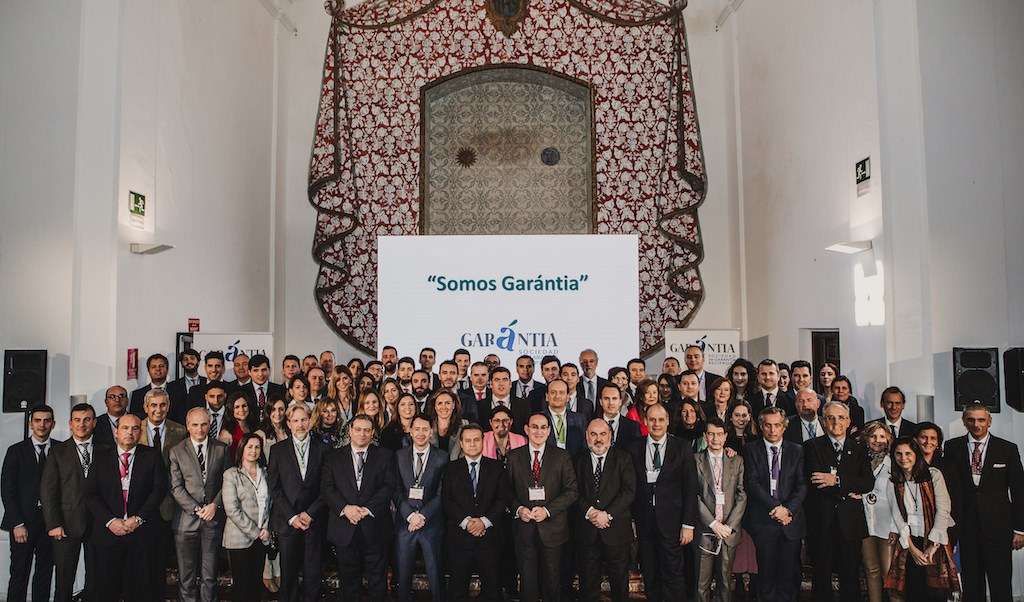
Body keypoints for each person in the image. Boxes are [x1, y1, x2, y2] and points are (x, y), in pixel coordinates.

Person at [943, 403, 1024, 602]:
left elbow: (1019, 491)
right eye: (971, 420)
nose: (976, 424)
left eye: (981, 420)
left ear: (989, 421)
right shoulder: (952, 447)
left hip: (999, 530)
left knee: (1001, 584)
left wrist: (1020, 529)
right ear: (964, 421)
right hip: (967, 529)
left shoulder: (1007, 449)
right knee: (971, 585)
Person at [84, 413, 169, 602]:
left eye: (135, 428)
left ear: (140, 433)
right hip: (108, 535)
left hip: (141, 535)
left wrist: (138, 519)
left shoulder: (152, 456)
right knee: (105, 591)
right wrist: (110, 521)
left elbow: (159, 490)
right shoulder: (100, 457)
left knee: (142, 591)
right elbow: (91, 494)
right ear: (116, 432)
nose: (129, 432)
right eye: (125, 428)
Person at [322, 413, 397, 602]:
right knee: (348, 582)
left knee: (378, 582)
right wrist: (345, 508)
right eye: (358, 429)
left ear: (372, 433)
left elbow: (389, 486)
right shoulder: (333, 456)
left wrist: (367, 509)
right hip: (345, 527)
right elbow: (327, 488)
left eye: (366, 430)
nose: (362, 434)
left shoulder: (385, 455)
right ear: (350, 430)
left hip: (375, 526)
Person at [803, 401, 874, 602]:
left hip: (850, 522)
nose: (836, 422)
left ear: (849, 421)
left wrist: (836, 480)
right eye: (831, 418)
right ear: (824, 421)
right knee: (821, 574)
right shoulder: (811, 446)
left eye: (841, 417)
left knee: (850, 575)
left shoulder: (859, 449)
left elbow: (867, 482)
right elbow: (816, 480)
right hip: (821, 521)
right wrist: (848, 489)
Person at [629, 403, 699, 602]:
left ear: (668, 421)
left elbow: (690, 487)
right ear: (645, 421)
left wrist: (688, 524)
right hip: (644, 521)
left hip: (673, 522)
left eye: (661, 419)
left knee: (673, 573)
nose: (656, 424)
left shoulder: (682, 446)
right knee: (650, 572)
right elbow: (631, 486)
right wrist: (632, 520)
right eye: (652, 419)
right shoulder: (634, 447)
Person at [507, 412, 579, 602]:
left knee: (552, 582)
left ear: (549, 431)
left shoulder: (562, 456)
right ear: (526, 429)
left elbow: (572, 491)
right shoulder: (513, 456)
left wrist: (547, 511)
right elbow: (507, 491)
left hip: (553, 529)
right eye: (534, 427)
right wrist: (519, 509)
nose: (538, 431)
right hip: (524, 530)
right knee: (527, 582)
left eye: (543, 427)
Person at [740, 407, 806, 602]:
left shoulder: (797, 450)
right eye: (768, 425)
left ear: (784, 427)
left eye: (777, 425)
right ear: (761, 427)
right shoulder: (750, 449)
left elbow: (802, 485)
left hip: (790, 521)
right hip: (763, 520)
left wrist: (787, 509)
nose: (772, 430)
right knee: (766, 575)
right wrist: (776, 508)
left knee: (788, 575)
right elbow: (751, 483)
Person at [442, 424, 512, 602]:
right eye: (468, 440)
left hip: (490, 539)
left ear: (483, 442)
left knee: (493, 591)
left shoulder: (497, 467)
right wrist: (467, 523)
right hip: (460, 539)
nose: (472, 444)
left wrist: (484, 522)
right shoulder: (450, 469)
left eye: (476, 440)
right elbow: (447, 500)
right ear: (461, 444)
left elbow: (503, 498)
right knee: (457, 591)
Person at [169, 407, 232, 602]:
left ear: (209, 424)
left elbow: (227, 482)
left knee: (209, 576)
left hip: (213, 520)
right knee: (186, 577)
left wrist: (214, 505)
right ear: (188, 426)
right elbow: (175, 487)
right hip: (185, 522)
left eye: (204, 424)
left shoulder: (221, 449)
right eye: (195, 424)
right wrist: (197, 509)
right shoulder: (177, 451)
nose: (199, 429)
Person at [884, 437, 959, 601]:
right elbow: (898, 517)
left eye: (908, 453)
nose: (903, 458)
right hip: (910, 542)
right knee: (914, 590)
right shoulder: (893, 481)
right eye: (898, 454)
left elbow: (943, 510)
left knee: (936, 593)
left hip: (935, 539)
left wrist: (933, 545)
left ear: (916, 454)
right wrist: (911, 548)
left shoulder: (933, 475)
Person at [267, 402, 327, 602]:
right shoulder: (277, 450)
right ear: (289, 424)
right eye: (295, 421)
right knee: (288, 575)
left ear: (310, 421)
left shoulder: (323, 449)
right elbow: (275, 488)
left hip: (314, 521)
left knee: (313, 574)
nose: (300, 425)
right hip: (288, 522)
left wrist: (310, 513)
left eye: (303, 420)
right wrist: (292, 517)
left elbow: (327, 487)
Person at [40, 402, 99, 602]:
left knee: (96, 579)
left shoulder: (106, 449)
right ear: (70, 423)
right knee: (64, 580)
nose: (82, 424)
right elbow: (48, 491)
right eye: (77, 420)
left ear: (94, 422)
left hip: (98, 524)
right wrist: (53, 524)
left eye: (87, 420)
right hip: (66, 525)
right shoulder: (57, 451)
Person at [574, 419, 635, 602]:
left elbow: (629, 491)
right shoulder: (577, 459)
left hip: (616, 532)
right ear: (587, 436)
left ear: (610, 436)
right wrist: (591, 512)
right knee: (588, 587)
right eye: (593, 434)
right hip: (587, 533)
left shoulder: (623, 458)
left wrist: (606, 515)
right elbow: (573, 491)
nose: (598, 439)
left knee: (620, 587)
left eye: (602, 434)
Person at [2, 405, 56, 602]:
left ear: (53, 424)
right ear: (31, 424)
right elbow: (7, 489)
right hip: (23, 523)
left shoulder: (61, 449)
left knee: (44, 573)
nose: (42, 425)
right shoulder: (16, 451)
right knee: (19, 574)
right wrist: (17, 523)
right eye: (38, 421)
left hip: (50, 523)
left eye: (46, 421)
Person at [139, 388, 187, 598]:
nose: (158, 410)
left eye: (162, 405)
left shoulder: (180, 431)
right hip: (140, 505)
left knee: (161, 561)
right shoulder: (135, 428)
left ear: (168, 407)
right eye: (153, 405)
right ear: (145, 407)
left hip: (168, 505)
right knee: (141, 563)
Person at [392, 417, 446, 602]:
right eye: (417, 429)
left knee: (436, 576)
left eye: (425, 429)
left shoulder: (443, 457)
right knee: (403, 576)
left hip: (431, 524)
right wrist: (410, 515)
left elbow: (442, 492)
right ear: (411, 431)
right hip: (405, 525)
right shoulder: (399, 456)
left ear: (431, 432)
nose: (421, 433)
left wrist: (422, 516)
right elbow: (395, 489)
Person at [694, 418, 746, 602]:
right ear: (705, 436)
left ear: (725, 437)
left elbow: (741, 494)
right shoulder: (695, 460)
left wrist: (728, 526)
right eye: (711, 434)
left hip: (728, 532)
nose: (715, 438)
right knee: (701, 584)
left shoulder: (737, 460)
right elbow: (693, 496)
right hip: (705, 529)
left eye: (719, 434)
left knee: (725, 581)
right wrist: (713, 523)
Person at [222, 433, 273, 602]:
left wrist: (265, 529)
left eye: (257, 447)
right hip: (239, 538)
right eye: (249, 447)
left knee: (255, 585)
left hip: (262, 537)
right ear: (242, 449)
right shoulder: (231, 474)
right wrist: (255, 532)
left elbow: (270, 504)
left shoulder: (266, 473)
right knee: (241, 587)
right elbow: (232, 509)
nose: (253, 451)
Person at [857, 421, 894, 602]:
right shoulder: (860, 461)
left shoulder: (894, 463)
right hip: (866, 521)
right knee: (871, 569)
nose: (877, 440)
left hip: (888, 523)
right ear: (866, 438)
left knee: (888, 572)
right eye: (873, 436)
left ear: (887, 439)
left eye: (881, 436)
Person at [914, 422, 962, 547]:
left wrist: (953, 536)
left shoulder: (948, 467)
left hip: (943, 528)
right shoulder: (909, 464)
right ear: (916, 440)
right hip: (915, 530)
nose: (928, 442)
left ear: (938, 443)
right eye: (924, 437)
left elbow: (956, 503)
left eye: (933, 438)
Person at [542, 379, 587, 457]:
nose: (557, 396)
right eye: (553, 392)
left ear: (567, 397)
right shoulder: (538, 419)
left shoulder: (580, 420)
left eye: (561, 392)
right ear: (547, 396)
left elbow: (584, 449)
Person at [480, 367, 530, 436]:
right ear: (491, 383)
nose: (501, 384)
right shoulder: (480, 406)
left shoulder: (523, 405)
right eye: (497, 380)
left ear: (510, 383)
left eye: (505, 380)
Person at [598, 382, 641, 450]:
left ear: (620, 401)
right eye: (606, 398)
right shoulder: (592, 425)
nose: (611, 403)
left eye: (614, 398)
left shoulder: (633, 427)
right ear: (601, 401)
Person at [167, 349, 205, 424]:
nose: (189, 361)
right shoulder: (172, 386)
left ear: (198, 362)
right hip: (181, 425)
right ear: (181, 364)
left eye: (192, 358)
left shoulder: (206, 383)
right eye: (185, 359)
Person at [218, 391, 257, 462]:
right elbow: (220, 459)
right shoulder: (226, 432)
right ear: (231, 410)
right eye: (237, 407)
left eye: (244, 406)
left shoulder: (254, 427)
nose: (241, 410)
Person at [129, 353, 170, 417]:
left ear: (167, 369)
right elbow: (135, 419)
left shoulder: (179, 392)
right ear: (148, 370)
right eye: (153, 367)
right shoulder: (137, 395)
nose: (158, 369)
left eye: (161, 366)